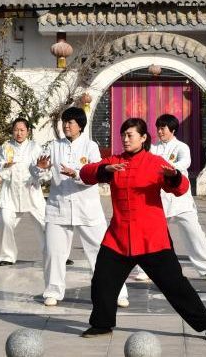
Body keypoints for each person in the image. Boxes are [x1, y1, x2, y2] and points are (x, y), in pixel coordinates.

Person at [79, 118, 206, 341]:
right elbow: (85, 173)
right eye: (123, 135)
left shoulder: (155, 162)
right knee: (102, 281)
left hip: (152, 239)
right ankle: (101, 324)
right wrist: (104, 169)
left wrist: (174, 176)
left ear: (143, 138)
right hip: (118, 238)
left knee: (176, 286)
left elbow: (182, 189)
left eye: (130, 135)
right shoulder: (114, 161)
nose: (126, 139)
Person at [35, 107, 128, 307]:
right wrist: (39, 169)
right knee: (53, 252)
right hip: (58, 208)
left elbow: (96, 173)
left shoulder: (90, 146)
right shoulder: (53, 146)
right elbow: (42, 175)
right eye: (64, 122)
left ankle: (116, 292)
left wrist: (76, 174)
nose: (66, 126)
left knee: (102, 251)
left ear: (80, 125)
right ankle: (52, 291)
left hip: (87, 208)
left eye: (70, 122)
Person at [133, 114, 206, 283]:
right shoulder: (152, 148)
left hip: (180, 199)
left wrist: (167, 169)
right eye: (158, 128)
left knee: (195, 234)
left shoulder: (182, 147)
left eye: (163, 128)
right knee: (151, 234)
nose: (160, 131)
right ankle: (146, 269)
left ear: (173, 130)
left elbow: (185, 163)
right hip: (158, 200)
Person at [0, 117, 46, 266]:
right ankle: (7, 256)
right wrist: (6, 165)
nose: (19, 133)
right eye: (16, 130)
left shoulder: (35, 147)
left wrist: (40, 170)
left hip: (31, 191)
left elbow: (43, 168)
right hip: (10, 192)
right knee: (5, 221)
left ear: (28, 131)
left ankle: (54, 253)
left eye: (22, 130)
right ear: (12, 131)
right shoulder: (6, 147)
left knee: (45, 223)